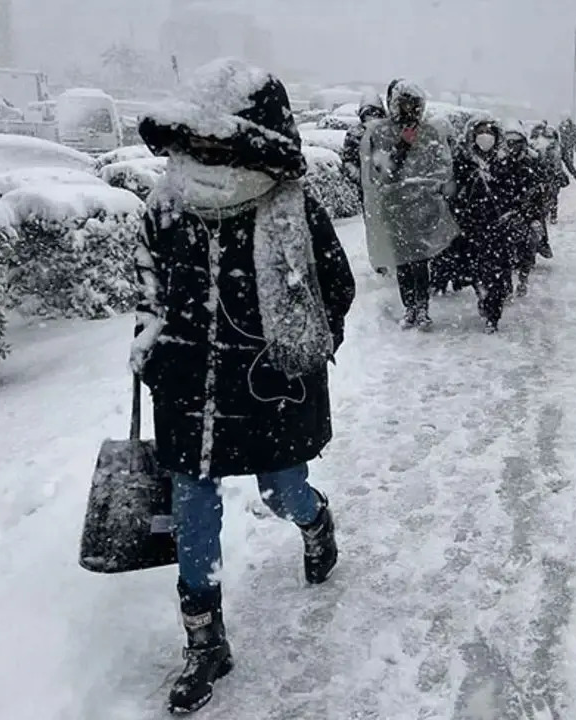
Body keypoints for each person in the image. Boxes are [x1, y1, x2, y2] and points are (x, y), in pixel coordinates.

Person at [131, 58, 356, 715]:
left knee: (281, 489)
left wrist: (300, 352)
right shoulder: (165, 203)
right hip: (188, 386)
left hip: (268, 386)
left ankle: (315, 522)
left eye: (216, 141)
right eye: (195, 141)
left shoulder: (290, 206)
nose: (202, 153)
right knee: (193, 504)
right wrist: (151, 349)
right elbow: (148, 289)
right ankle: (204, 641)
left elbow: (333, 289)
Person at [361, 80, 458, 330]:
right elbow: (381, 173)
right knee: (403, 260)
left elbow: (442, 167)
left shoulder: (430, 133)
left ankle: (422, 308)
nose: (409, 111)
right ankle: (410, 308)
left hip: (424, 207)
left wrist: (429, 187)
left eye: (414, 105)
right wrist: (402, 147)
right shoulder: (381, 133)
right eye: (404, 104)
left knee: (420, 260)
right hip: (395, 208)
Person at [450, 118, 532, 332]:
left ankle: (493, 313)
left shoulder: (506, 162)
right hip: (471, 227)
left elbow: (519, 190)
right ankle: (483, 296)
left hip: (498, 227)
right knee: (476, 271)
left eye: (489, 132)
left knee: (496, 271)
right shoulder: (464, 160)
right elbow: (455, 192)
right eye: (481, 132)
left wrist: (514, 212)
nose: (485, 136)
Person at [495, 121, 544, 297]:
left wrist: (532, 215)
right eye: (509, 142)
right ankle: (506, 285)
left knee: (528, 248)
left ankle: (523, 279)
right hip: (505, 213)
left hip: (527, 213)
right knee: (503, 252)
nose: (512, 146)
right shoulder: (499, 163)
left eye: (516, 142)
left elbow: (538, 191)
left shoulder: (531, 162)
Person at [340, 94, 389, 195]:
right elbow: (348, 160)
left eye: (375, 114)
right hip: (363, 187)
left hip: (384, 187)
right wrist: (359, 177)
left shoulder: (387, 133)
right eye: (368, 115)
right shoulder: (355, 134)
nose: (371, 118)